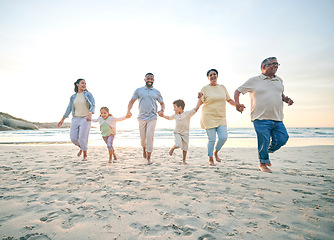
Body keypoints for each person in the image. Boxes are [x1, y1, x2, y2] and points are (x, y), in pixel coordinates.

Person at [234, 57, 294, 173]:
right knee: (264, 140)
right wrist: (237, 103)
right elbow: (238, 91)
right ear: (264, 67)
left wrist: (286, 100)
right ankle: (263, 163)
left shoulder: (279, 80)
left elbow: (280, 94)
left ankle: (265, 152)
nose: (276, 66)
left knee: (283, 138)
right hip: (260, 117)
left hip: (277, 117)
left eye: (277, 64)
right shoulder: (254, 80)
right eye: (273, 64)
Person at [199, 69, 236, 166]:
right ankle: (210, 158)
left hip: (221, 116)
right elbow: (200, 101)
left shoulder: (222, 87)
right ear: (208, 77)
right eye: (210, 75)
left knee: (223, 137)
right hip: (208, 116)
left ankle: (216, 152)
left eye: (214, 74)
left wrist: (237, 105)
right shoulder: (205, 89)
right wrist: (196, 104)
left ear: (217, 76)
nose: (212, 76)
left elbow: (229, 100)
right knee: (212, 139)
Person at [127, 73, 165, 165]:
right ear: (145, 80)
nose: (150, 80)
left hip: (152, 117)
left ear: (154, 80)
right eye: (148, 78)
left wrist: (162, 110)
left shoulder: (156, 92)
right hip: (141, 118)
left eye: (151, 79)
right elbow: (132, 101)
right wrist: (128, 111)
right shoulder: (139, 90)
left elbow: (162, 103)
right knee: (143, 138)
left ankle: (149, 157)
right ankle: (144, 149)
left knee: (149, 136)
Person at [58, 79, 95, 160]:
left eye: (85, 83)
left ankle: (85, 155)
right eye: (82, 83)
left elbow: (92, 105)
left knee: (82, 137)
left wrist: (90, 114)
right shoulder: (73, 97)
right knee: (73, 138)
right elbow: (69, 108)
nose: (84, 85)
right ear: (77, 84)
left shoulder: (88, 95)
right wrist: (62, 119)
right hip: (75, 118)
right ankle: (82, 148)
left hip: (85, 118)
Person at [159, 99, 202, 164]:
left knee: (185, 148)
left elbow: (196, 109)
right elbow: (169, 117)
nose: (174, 109)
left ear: (180, 107)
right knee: (178, 145)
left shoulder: (187, 114)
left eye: (175, 107)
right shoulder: (175, 115)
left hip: (185, 133)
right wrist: (163, 116)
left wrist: (199, 101)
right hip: (177, 133)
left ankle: (184, 160)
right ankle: (173, 148)